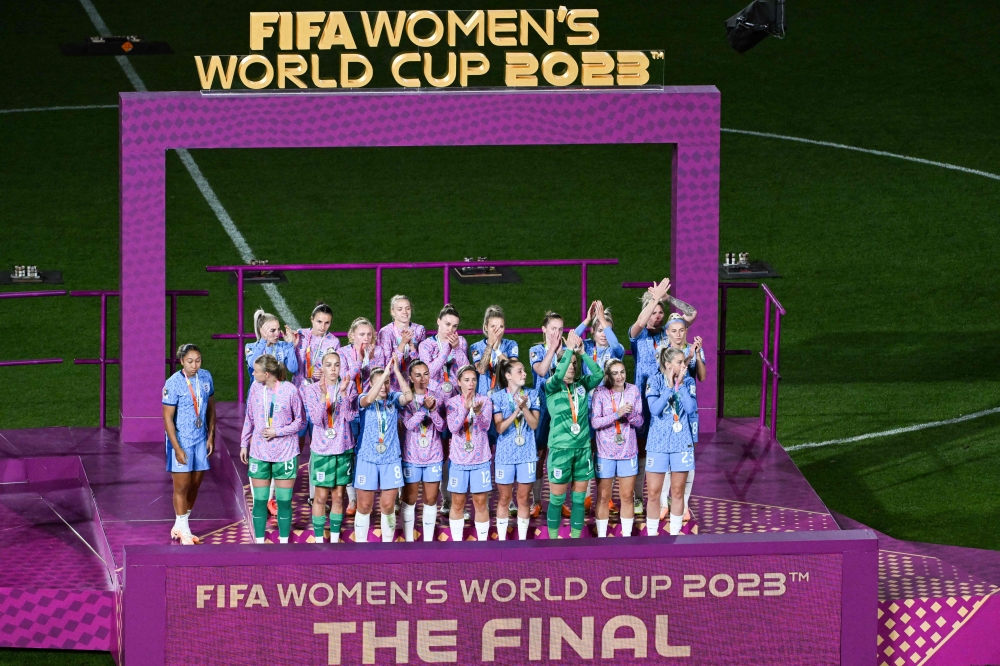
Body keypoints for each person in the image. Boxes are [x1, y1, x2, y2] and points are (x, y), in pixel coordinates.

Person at [628, 279, 696, 517]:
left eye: (660, 313)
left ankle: (668, 500)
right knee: (641, 450)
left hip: (668, 400)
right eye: (653, 312)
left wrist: (668, 299)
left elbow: (691, 313)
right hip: (643, 399)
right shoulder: (638, 337)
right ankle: (639, 497)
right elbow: (638, 323)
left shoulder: (668, 336)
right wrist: (655, 298)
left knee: (667, 447)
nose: (657, 316)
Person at [543, 330, 603, 539]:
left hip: (583, 449)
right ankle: (552, 540)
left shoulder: (582, 385)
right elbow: (558, 375)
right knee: (557, 500)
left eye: (573, 365)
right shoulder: (551, 387)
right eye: (567, 364)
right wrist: (568, 351)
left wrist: (582, 354)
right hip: (560, 450)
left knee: (579, 500)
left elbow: (599, 375)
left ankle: (575, 539)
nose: (570, 368)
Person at [239, 354, 304, 544]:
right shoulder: (255, 388)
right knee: (259, 501)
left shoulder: (290, 390)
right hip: (259, 452)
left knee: (283, 502)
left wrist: (278, 431)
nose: (253, 373)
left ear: (267, 374)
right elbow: (249, 417)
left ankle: (283, 544)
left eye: (256, 371)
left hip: (285, 453)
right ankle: (259, 544)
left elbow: (300, 421)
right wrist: (244, 443)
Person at [299, 350, 357, 544]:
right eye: (329, 364)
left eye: (337, 365)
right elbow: (316, 419)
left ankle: (333, 541)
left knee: (339, 496)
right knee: (321, 496)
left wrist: (343, 396)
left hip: (343, 447)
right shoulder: (312, 390)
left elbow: (350, 417)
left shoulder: (348, 388)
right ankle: (317, 540)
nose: (333, 369)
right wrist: (325, 396)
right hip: (322, 450)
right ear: (321, 368)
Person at [286, 302, 340, 506]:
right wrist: (290, 343)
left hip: (319, 397)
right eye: (319, 321)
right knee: (294, 446)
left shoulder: (333, 342)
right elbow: (291, 364)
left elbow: (336, 369)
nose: (323, 326)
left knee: (318, 447)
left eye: (327, 323)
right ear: (311, 319)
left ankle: (313, 494)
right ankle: (286, 490)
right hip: (298, 397)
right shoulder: (300, 335)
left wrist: (323, 374)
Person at [354, 357, 413, 543]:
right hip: (367, 458)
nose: (384, 386)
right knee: (364, 505)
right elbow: (370, 398)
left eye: (387, 382)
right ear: (370, 384)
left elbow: (409, 397)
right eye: (380, 382)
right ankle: (361, 548)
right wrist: (384, 375)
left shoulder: (394, 399)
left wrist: (395, 372)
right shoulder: (362, 398)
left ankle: (387, 546)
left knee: (388, 505)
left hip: (390, 458)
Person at [418, 304, 470, 517]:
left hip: (455, 403)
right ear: (438, 322)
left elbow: (465, 371)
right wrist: (448, 350)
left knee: (454, 454)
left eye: (455, 326)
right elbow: (428, 371)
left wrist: (457, 350)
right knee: (437, 453)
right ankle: (436, 498)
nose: (451, 329)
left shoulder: (461, 342)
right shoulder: (426, 345)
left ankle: (450, 501)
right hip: (434, 403)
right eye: (447, 324)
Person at [162, 344, 216, 545]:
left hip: (200, 439)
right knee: (182, 486)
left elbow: (211, 407)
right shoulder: (173, 383)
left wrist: (211, 436)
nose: (195, 365)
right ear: (182, 361)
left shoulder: (206, 377)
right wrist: (176, 448)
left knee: (195, 485)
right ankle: (184, 530)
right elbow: (167, 419)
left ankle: (180, 524)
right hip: (182, 441)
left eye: (198, 360)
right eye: (190, 361)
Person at [644, 347, 697, 536]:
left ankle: (675, 537)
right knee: (653, 494)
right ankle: (651, 537)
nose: (685, 365)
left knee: (677, 492)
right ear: (668, 364)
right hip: (658, 444)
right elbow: (655, 409)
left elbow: (690, 409)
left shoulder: (688, 381)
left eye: (685, 362)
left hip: (681, 443)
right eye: (680, 362)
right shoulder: (654, 381)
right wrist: (669, 388)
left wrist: (680, 385)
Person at [659, 313, 706, 521]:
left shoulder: (693, 349)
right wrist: (686, 358)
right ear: (667, 331)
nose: (678, 334)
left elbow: (702, 376)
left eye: (682, 330)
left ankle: (684, 505)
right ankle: (662, 504)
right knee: (665, 457)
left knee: (687, 458)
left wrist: (696, 355)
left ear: (686, 331)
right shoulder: (662, 351)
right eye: (674, 330)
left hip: (688, 410)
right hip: (668, 410)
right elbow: (666, 373)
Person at [590, 359, 643, 537]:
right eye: (615, 373)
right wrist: (616, 414)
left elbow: (640, 422)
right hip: (605, 453)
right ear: (607, 375)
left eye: (622, 372)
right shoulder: (600, 392)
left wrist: (629, 415)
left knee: (627, 496)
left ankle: (626, 538)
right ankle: (602, 538)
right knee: (604, 496)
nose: (620, 376)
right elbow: (595, 422)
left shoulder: (633, 390)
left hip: (628, 451)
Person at [338, 316, 385, 518]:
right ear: (352, 336)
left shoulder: (379, 353)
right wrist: (359, 359)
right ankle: (352, 499)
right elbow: (346, 377)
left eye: (369, 334)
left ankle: (371, 494)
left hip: (370, 409)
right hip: (349, 407)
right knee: (350, 453)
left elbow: (378, 379)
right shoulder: (342, 353)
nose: (365, 338)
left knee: (367, 452)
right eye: (361, 334)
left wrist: (370, 357)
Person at [491, 359, 540, 540]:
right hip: (505, 455)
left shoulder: (533, 394)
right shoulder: (497, 398)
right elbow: (499, 428)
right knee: (504, 499)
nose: (524, 374)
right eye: (520, 371)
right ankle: (502, 541)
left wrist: (524, 407)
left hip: (527, 454)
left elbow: (534, 425)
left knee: (523, 498)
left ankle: (521, 541)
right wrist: (516, 411)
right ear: (508, 376)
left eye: (524, 370)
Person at [399, 360, 446, 542]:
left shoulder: (438, 397)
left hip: (433, 455)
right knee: (409, 499)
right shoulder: (406, 400)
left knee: (432, 499)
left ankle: (427, 542)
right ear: (410, 378)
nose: (422, 378)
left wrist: (433, 410)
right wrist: (423, 410)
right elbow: (409, 425)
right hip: (412, 455)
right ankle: (409, 541)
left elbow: (442, 427)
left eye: (426, 374)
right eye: (417, 375)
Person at [445, 366, 493, 542]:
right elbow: (453, 428)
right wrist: (465, 409)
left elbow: (485, 426)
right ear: (458, 382)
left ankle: (482, 544)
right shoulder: (451, 403)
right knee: (457, 502)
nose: (471, 383)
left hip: (480, 459)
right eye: (466, 380)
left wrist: (478, 414)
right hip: (459, 460)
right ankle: (457, 544)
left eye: (473, 379)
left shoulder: (485, 401)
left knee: (480, 502)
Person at [527, 311, 566, 518]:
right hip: (541, 408)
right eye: (553, 329)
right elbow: (541, 371)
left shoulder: (568, 350)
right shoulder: (535, 350)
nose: (557, 333)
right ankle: (536, 501)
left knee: (560, 455)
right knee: (540, 455)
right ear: (544, 330)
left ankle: (557, 502)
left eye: (560, 329)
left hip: (563, 409)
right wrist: (553, 349)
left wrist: (565, 353)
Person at [377, 295, 426, 392]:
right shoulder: (385, 332)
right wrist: (403, 344)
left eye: (407, 308)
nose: (405, 312)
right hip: (393, 386)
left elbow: (422, 363)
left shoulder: (419, 329)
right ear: (392, 312)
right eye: (400, 309)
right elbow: (387, 367)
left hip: (415, 385)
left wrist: (412, 347)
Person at [470, 305, 519, 395]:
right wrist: (490, 345)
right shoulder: (476, 346)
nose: (497, 330)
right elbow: (481, 369)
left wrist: (497, 350)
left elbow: (514, 369)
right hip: (483, 396)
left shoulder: (511, 344)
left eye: (501, 327)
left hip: (505, 395)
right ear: (486, 327)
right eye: (493, 326)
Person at [244, 309, 299, 384]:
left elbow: (293, 369)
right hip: (259, 393)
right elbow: (253, 364)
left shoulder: (283, 346)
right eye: (273, 330)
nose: (277, 334)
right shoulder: (250, 347)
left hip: (279, 392)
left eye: (278, 329)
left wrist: (290, 345)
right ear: (262, 331)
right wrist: (263, 341)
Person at [574, 301, 625, 375]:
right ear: (593, 331)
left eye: (607, 331)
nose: (604, 335)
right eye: (600, 330)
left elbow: (614, 344)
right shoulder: (587, 345)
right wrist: (588, 319)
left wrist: (602, 319)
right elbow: (572, 339)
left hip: (608, 387)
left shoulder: (615, 349)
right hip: (588, 387)